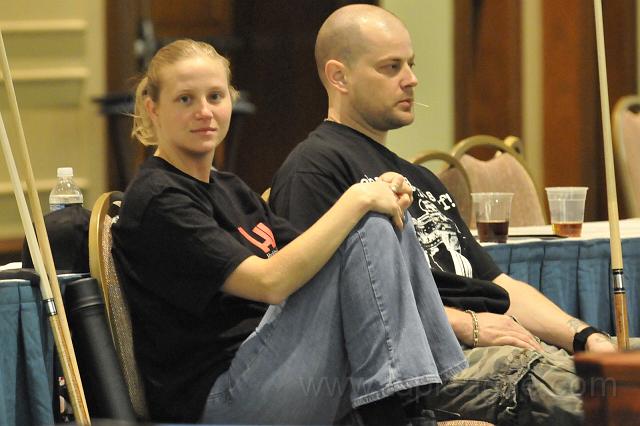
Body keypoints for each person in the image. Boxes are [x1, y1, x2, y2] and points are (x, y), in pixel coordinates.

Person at [269, 4, 619, 425]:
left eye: (411, 64)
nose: (411, 79)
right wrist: (467, 325)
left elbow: (498, 284)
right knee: (617, 396)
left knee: (624, 360)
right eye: (391, 67)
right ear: (339, 76)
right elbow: (327, 305)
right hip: (430, 364)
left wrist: (585, 336)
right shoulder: (314, 168)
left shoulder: (420, 177)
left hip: (500, 349)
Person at [110, 39, 467, 425]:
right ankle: (395, 411)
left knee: (382, 218)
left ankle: (420, 396)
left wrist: (380, 194)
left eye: (215, 96)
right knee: (368, 222)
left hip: (277, 368)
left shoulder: (230, 187)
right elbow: (270, 283)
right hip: (223, 398)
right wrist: (357, 199)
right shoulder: (159, 198)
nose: (204, 112)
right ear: (153, 108)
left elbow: (330, 260)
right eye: (185, 99)